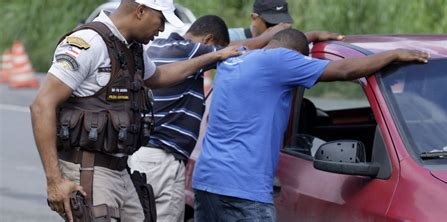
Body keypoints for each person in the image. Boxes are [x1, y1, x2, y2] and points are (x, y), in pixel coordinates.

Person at [30, 0, 241, 221]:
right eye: (160, 20)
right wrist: (54, 181)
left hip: (121, 170)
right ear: (140, 11)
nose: (161, 29)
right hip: (90, 170)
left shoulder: (132, 49)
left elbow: (160, 76)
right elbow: (42, 106)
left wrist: (214, 56)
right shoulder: (89, 43)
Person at [192, 28, 429, 221]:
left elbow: (278, 43)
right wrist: (393, 55)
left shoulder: (234, 57)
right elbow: (345, 69)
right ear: (295, 55)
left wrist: (309, 37)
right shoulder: (281, 60)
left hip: (206, 181)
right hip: (243, 189)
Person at [126, 14, 312, 221]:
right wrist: (292, 37)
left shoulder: (160, 46)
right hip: (162, 159)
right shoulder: (189, 50)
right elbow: (237, 50)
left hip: (141, 156)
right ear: (208, 41)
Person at [228, 0, 294, 41]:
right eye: (271, 24)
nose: (276, 29)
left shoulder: (285, 44)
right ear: (254, 17)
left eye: (281, 24)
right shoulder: (231, 36)